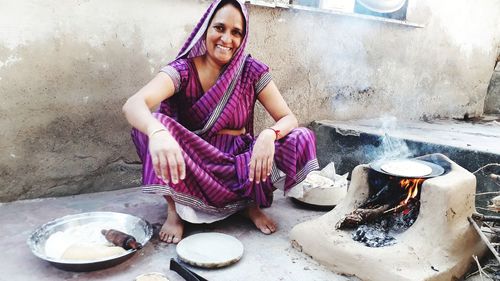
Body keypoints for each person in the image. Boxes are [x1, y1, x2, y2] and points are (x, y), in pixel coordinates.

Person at [122, 0, 318, 244]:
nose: (227, 38)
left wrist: (269, 135)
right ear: (206, 29)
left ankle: (250, 205)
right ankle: (175, 212)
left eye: (236, 32)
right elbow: (134, 103)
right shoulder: (183, 71)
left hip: (241, 163)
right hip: (196, 162)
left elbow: (289, 118)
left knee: (301, 136)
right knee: (150, 126)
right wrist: (157, 132)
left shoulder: (252, 71)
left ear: (243, 38)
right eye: (219, 28)